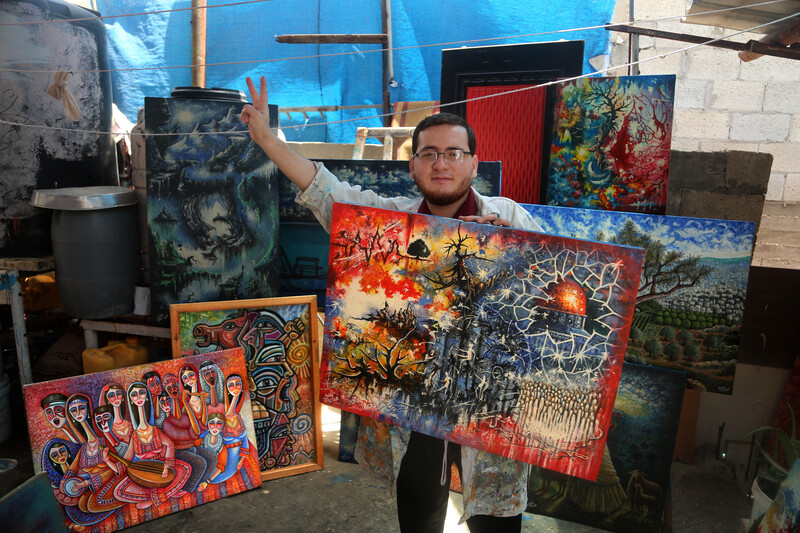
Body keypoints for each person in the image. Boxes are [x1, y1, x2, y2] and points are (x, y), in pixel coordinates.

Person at [241, 76, 542, 533]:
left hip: (490, 400)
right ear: (414, 165)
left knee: (496, 514)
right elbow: (326, 190)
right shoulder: (389, 222)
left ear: (473, 163)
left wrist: (508, 244)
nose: (442, 164)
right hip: (414, 393)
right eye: (429, 153)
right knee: (419, 507)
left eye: (454, 153)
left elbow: (557, 277)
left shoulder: (511, 216)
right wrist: (267, 139)